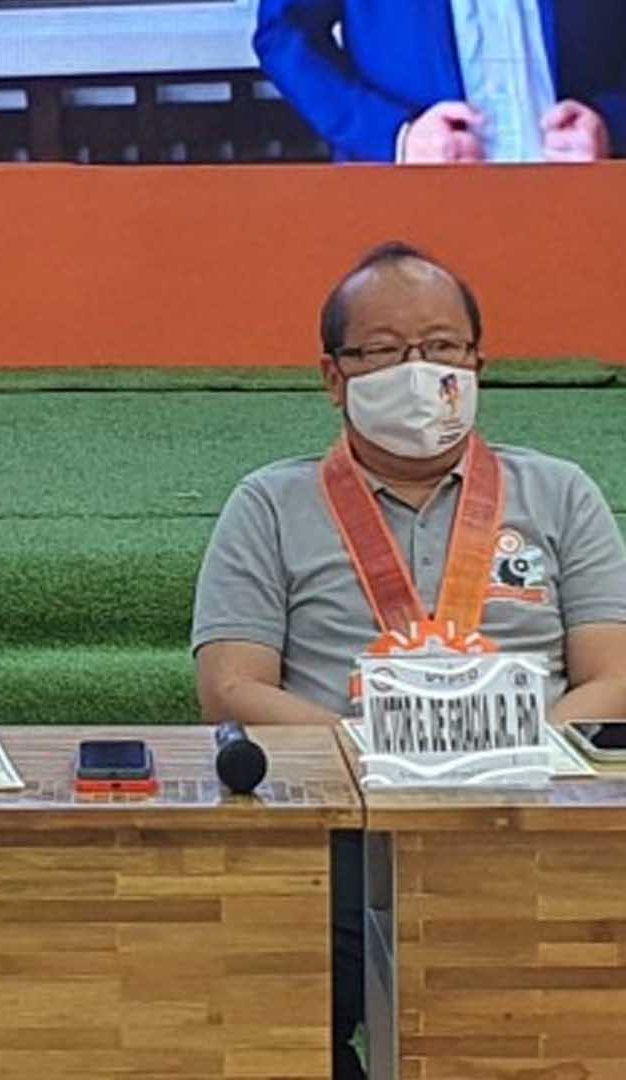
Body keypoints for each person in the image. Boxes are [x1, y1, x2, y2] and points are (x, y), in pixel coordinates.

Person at [191, 241, 626, 1077]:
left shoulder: (560, 492)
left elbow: (614, 677)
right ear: (335, 377)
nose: (419, 372)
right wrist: (382, 753)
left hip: (529, 815)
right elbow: (231, 687)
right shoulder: (270, 504)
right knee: (263, 1005)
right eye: (386, 351)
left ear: (477, 363)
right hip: (338, 827)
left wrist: (509, 752)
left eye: (441, 347)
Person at [255, 0, 626, 162]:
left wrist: (611, 125)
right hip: (411, 207)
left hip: (587, 201)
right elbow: (284, 35)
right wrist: (395, 137)